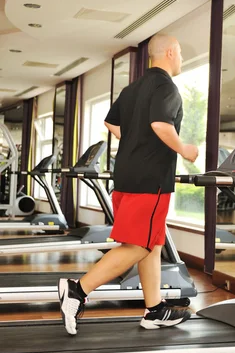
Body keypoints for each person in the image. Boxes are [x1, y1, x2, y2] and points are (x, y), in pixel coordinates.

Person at [58, 34, 199, 335]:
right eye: (182, 52)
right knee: (138, 245)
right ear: (171, 52)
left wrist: (135, 141)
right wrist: (185, 150)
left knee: (152, 243)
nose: (182, 58)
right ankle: (77, 290)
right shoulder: (166, 87)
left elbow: (112, 124)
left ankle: (155, 309)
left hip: (125, 177)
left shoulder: (133, 88)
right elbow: (161, 125)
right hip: (150, 180)